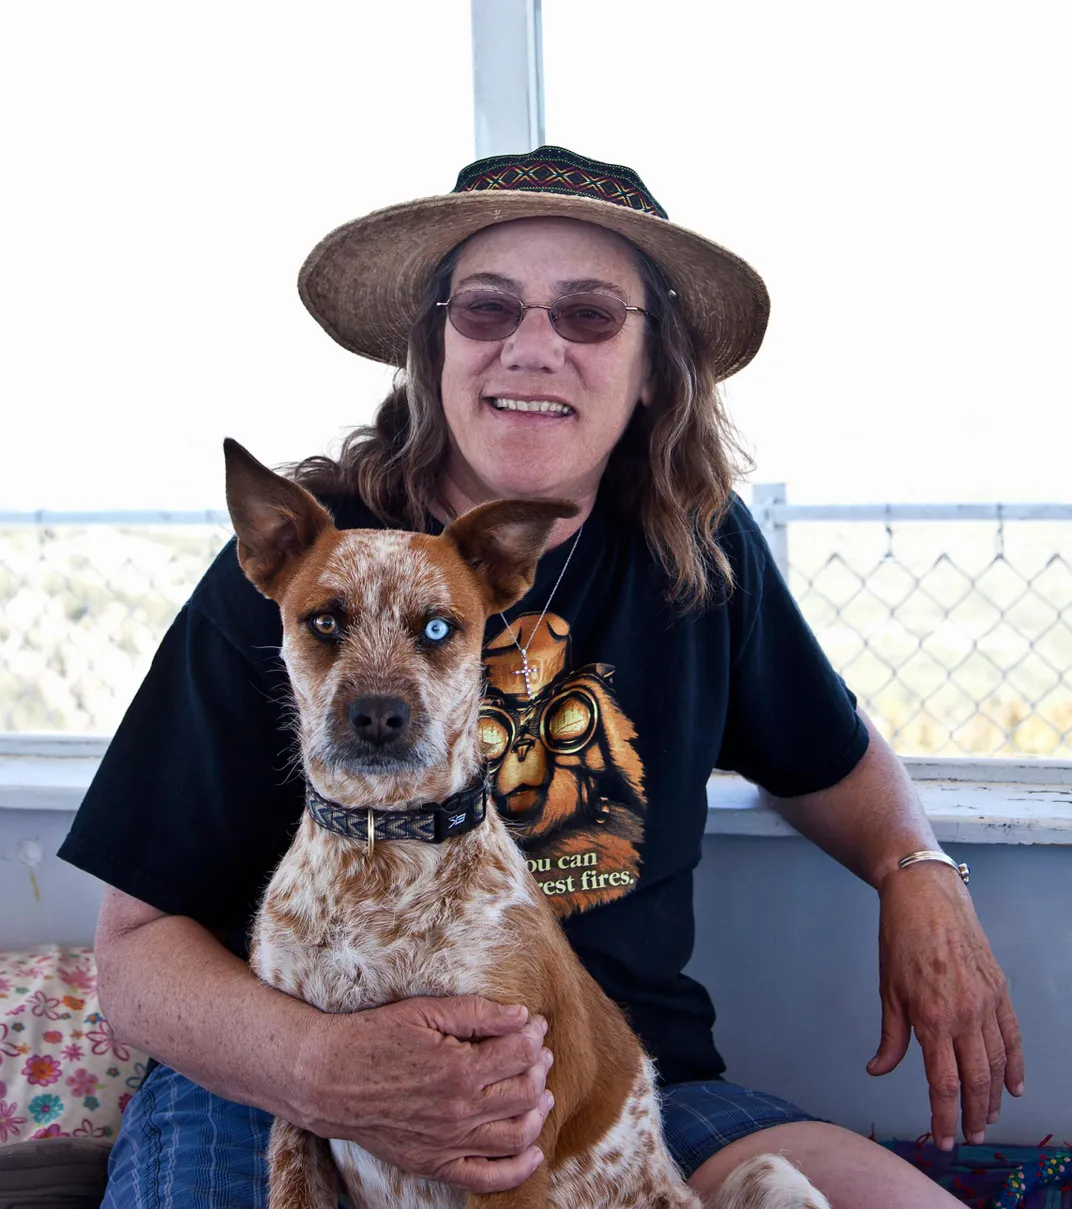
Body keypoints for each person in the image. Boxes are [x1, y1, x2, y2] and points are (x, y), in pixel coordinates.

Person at [59, 146, 1023, 1208]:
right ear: (430, 350)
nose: (532, 347)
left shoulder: (696, 552)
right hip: (276, 1091)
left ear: (654, 364)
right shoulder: (302, 570)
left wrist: (917, 871)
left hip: (616, 1087)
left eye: (588, 315)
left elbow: (827, 753)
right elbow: (133, 956)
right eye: (485, 310)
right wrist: (320, 1072)